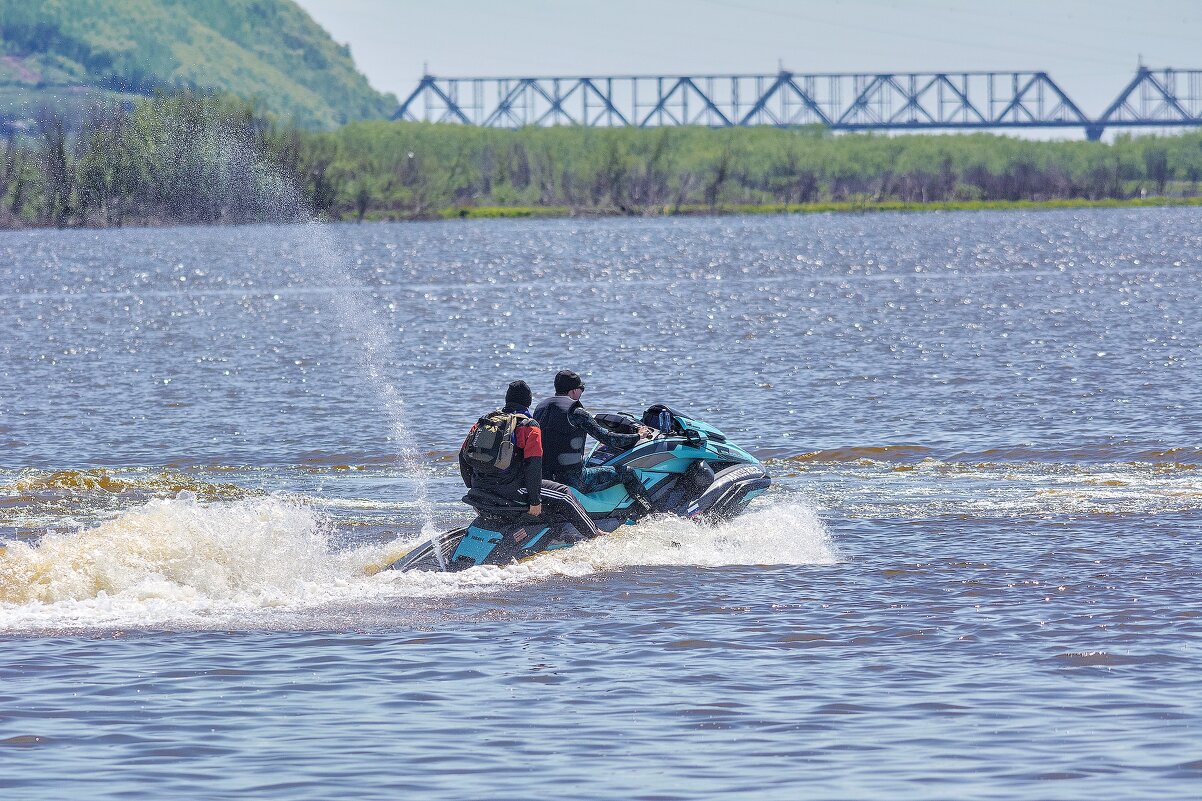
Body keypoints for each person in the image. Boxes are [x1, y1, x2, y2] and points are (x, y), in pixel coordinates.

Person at [459, 380, 601, 539]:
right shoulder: (528, 425)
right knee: (564, 494)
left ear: (507, 399)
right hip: (511, 490)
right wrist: (535, 501)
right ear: (528, 401)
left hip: (480, 488)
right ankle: (595, 534)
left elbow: (462, 457)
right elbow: (533, 465)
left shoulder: (484, 422)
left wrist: (473, 485)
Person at [533, 369, 655, 506]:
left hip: (545, 478)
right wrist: (639, 435)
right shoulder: (576, 412)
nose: (581, 393)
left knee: (588, 461)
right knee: (628, 473)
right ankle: (650, 513)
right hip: (575, 481)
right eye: (581, 389)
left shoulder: (540, 409)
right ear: (573, 391)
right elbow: (608, 439)